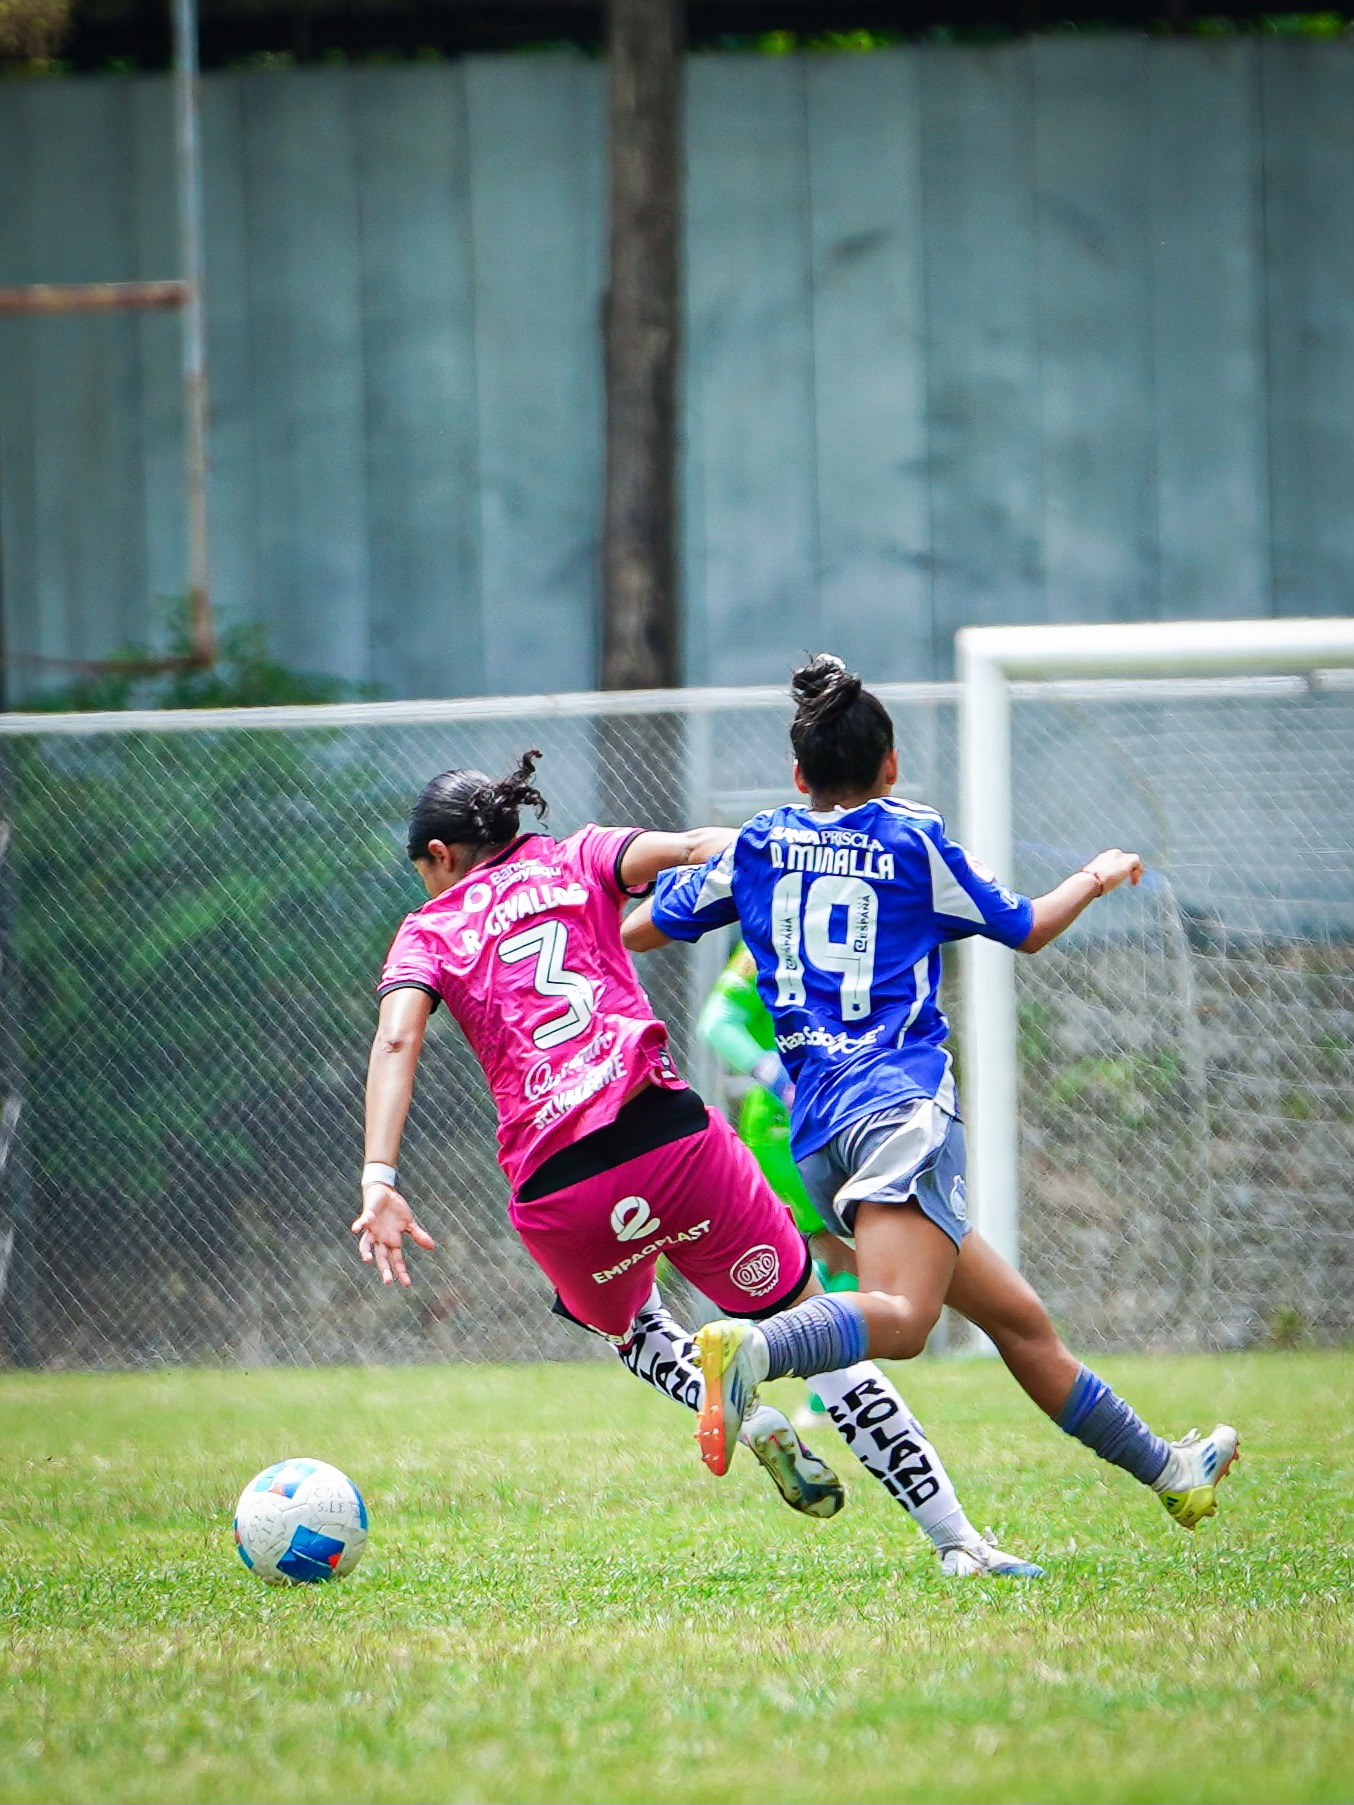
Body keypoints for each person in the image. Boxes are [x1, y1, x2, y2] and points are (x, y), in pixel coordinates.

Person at [351, 749, 1042, 1577]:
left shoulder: (429, 927)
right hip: (671, 1139)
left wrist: (380, 1178)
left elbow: (399, 1037)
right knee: (823, 1330)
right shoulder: (581, 853)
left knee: (633, 1329)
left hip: (558, 1185)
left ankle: (742, 1415)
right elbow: (699, 848)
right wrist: (795, 862)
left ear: (438, 855)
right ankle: (958, 1541)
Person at [625, 656, 1239, 1535]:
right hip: (899, 1109)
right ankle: (753, 1346)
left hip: (817, 1135)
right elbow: (1026, 927)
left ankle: (1171, 1470)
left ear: (799, 775)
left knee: (1018, 1321)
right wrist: (1097, 875)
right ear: (892, 764)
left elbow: (639, 927)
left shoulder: (757, 843)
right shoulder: (913, 838)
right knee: (906, 1320)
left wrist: (706, 851)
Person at [698, 942, 858, 1424]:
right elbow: (718, 1021)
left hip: (847, 1112)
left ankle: (819, 1388)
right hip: (790, 1124)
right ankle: (821, 1391)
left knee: (841, 1251)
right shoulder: (773, 934)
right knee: (848, 1251)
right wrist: (778, 1077)